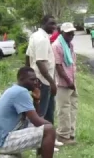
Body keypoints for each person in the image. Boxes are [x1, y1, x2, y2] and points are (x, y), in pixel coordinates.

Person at [0, 67, 56, 158]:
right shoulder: (21, 92)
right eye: (32, 79)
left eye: (36, 79)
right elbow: (37, 121)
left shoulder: (14, 89)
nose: (35, 82)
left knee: (45, 129)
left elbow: (34, 119)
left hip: (2, 139)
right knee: (49, 130)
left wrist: (36, 101)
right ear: (21, 79)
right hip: (4, 141)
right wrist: (51, 127)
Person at [25, 15, 63, 149]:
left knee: (49, 111)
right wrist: (52, 83)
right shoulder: (41, 39)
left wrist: (27, 74)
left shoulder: (36, 36)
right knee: (42, 113)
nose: (54, 27)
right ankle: (44, 143)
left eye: (55, 24)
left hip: (42, 80)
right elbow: (40, 62)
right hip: (43, 81)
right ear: (43, 23)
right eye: (51, 24)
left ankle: (51, 138)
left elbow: (28, 56)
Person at [52, 22, 78, 145]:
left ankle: (70, 133)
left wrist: (72, 81)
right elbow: (58, 66)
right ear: (62, 33)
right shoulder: (57, 45)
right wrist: (68, 82)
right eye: (68, 33)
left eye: (72, 32)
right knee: (63, 109)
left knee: (73, 107)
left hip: (72, 81)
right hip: (63, 83)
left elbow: (71, 63)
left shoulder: (70, 45)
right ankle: (63, 135)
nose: (71, 35)